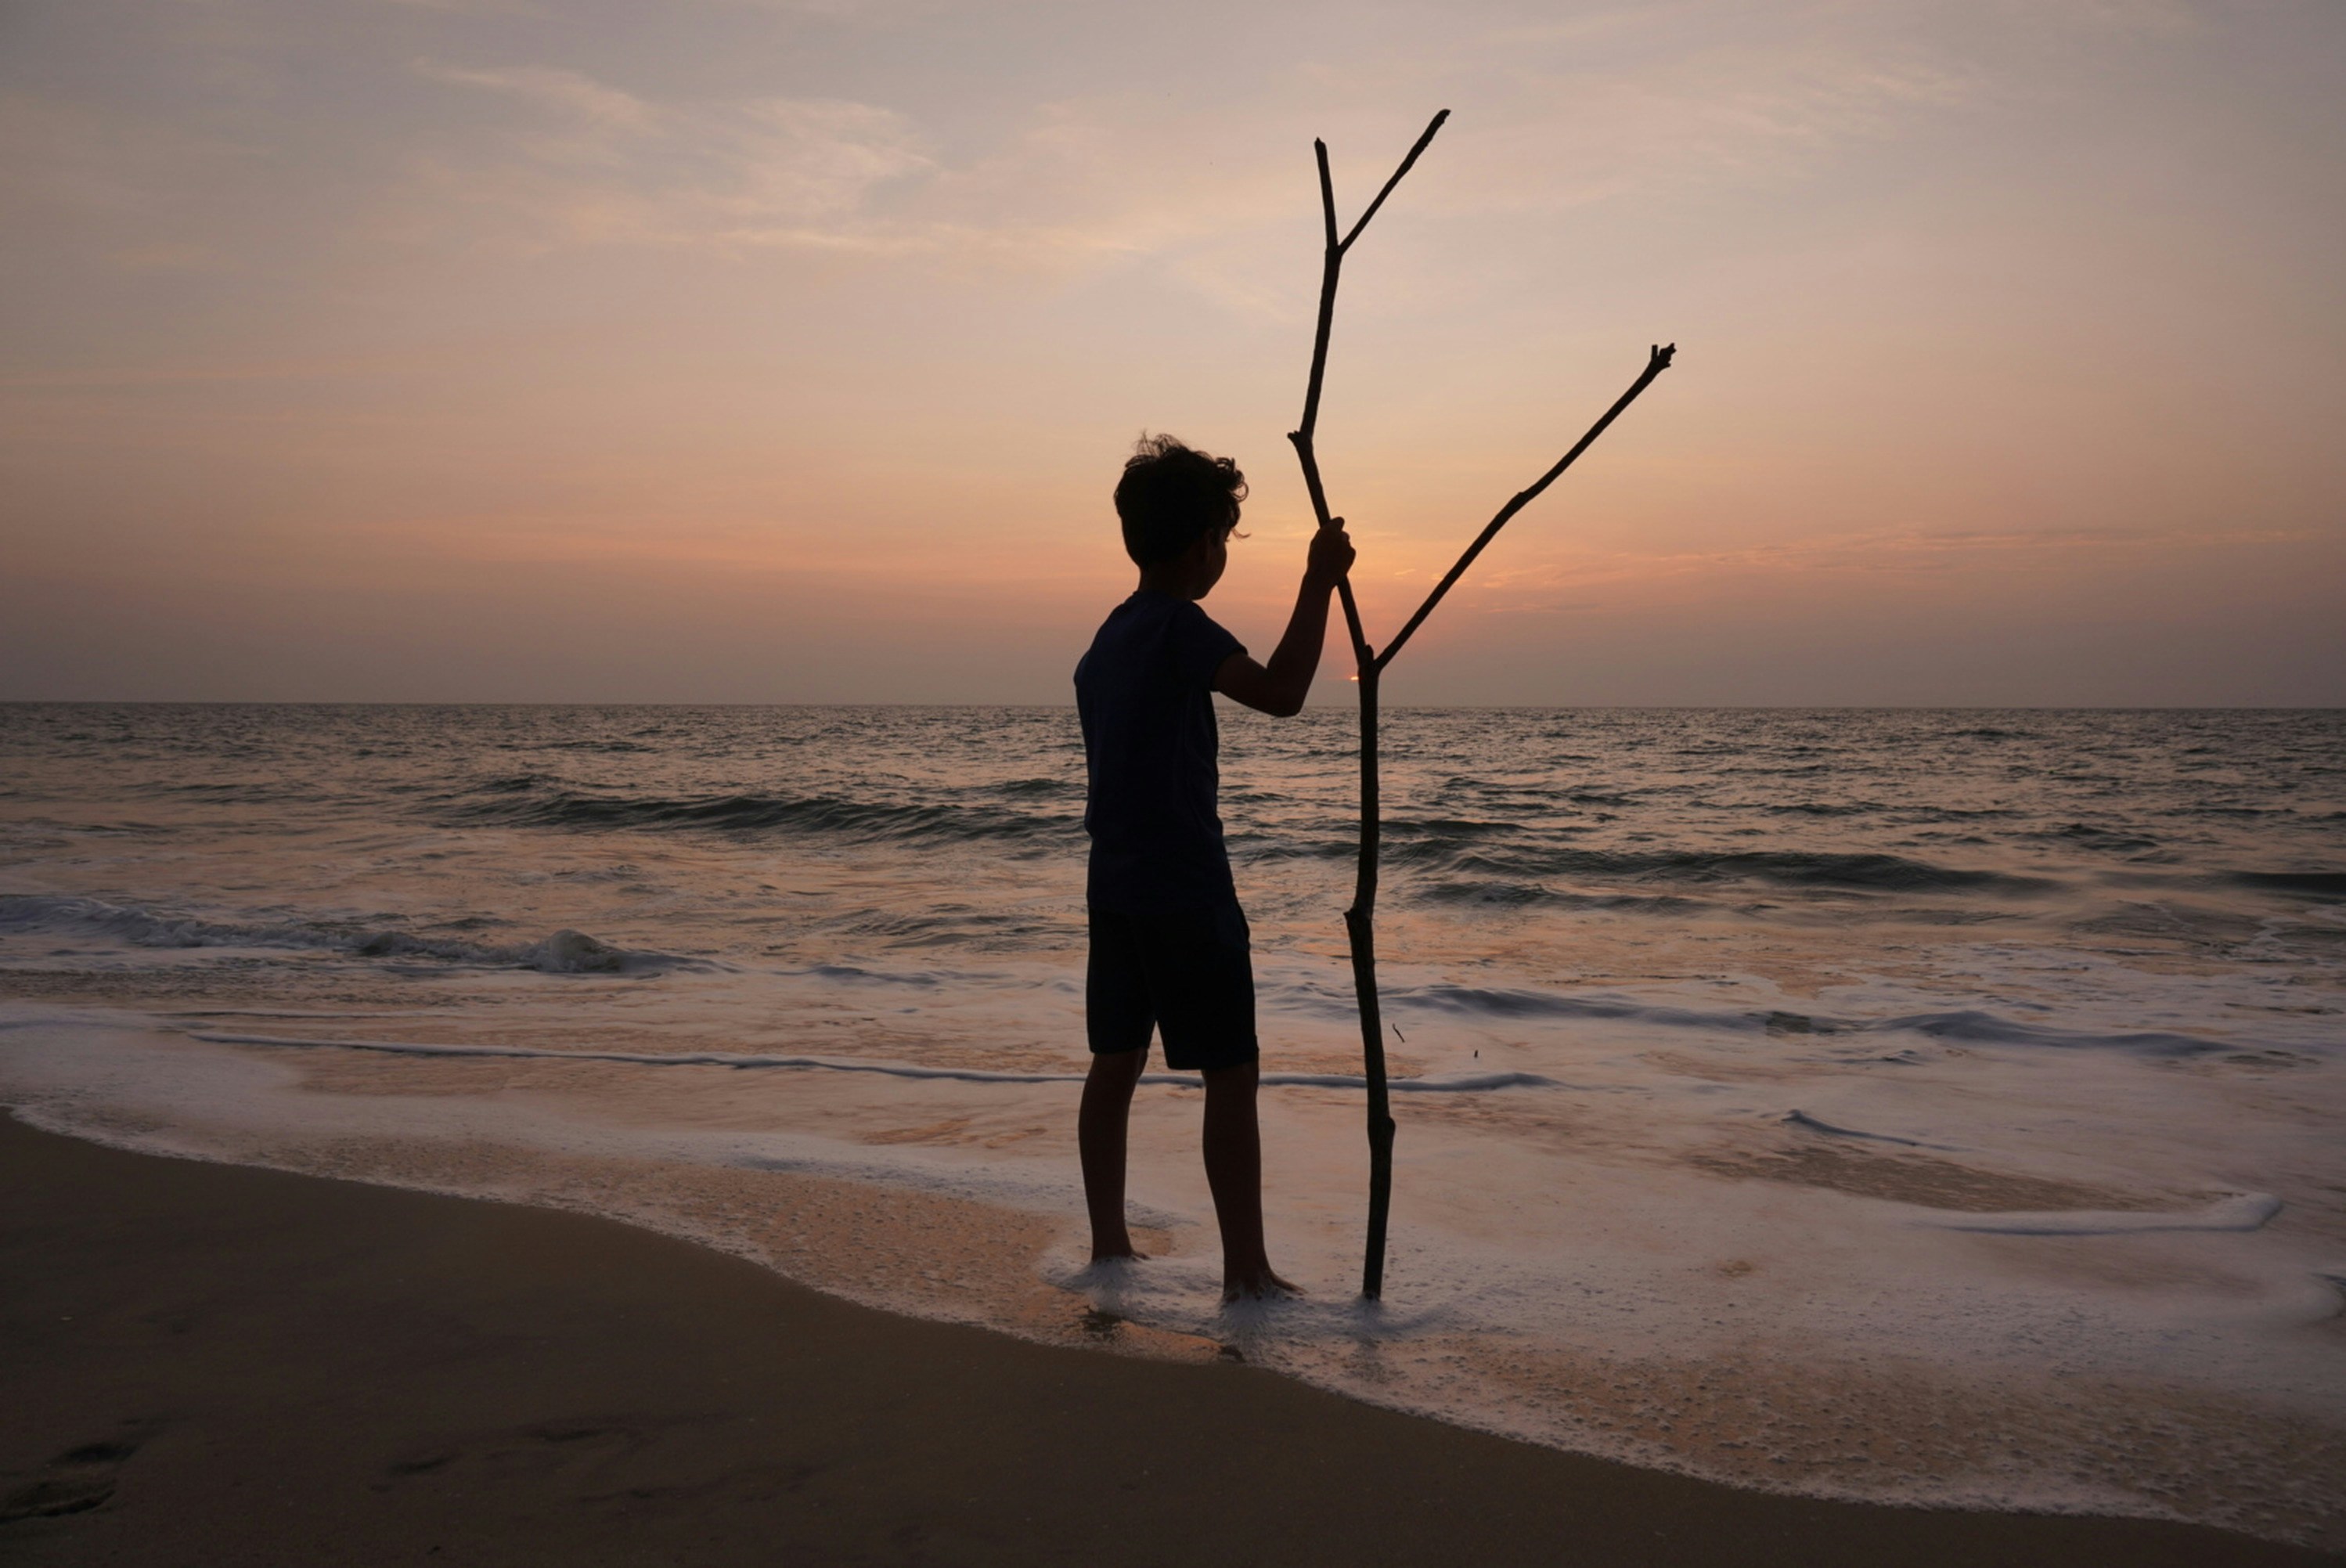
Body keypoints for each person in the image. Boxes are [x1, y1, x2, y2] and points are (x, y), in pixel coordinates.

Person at [1073, 433, 1355, 1300]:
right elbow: (1282, 691)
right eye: (1225, 539)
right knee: (1231, 1068)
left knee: (1114, 1062)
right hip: (1183, 884)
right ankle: (1246, 1273)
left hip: (1114, 884)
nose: (1221, 554)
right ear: (1203, 543)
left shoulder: (1108, 638)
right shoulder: (1177, 627)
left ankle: (1111, 1246)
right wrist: (1318, 583)